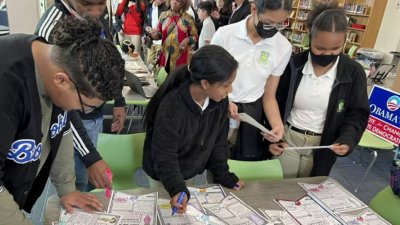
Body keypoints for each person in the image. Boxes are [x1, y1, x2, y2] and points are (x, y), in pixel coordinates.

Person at [0, 16, 124, 224]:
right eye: (86, 107)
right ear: (61, 81)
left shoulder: (55, 67)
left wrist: (67, 188)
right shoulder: (7, 88)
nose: (81, 112)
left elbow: (61, 130)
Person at [269, 3, 370, 178]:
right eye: (320, 48)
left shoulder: (353, 73)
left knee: (309, 191)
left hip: (324, 143)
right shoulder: (292, 65)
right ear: (310, 37)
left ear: (344, 42)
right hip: (288, 138)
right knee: (279, 186)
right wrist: (271, 137)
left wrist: (347, 139)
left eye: (335, 49)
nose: (327, 54)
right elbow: (273, 102)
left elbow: (357, 113)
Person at [35, 0, 127, 192]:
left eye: (101, 5)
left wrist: (118, 100)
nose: (95, 12)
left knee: (82, 181)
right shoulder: (50, 28)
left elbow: (108, 60)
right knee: (76, 177)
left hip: (81, 116)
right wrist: (89, 155)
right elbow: (64, 112)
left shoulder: (94, 16)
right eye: (87, 5)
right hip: (71, 122)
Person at [142, 45, 244, 213]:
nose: (230, 90)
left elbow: (218, 145)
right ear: (205, 83)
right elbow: (164, 156)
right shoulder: (172, 105)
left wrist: (224, 176)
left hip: (190, 171)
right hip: (163, 175)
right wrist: (176, 188)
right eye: (226, 85)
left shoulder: (220, 102)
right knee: (162, 214)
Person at [211, 0, 292, 161]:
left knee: (244, 169)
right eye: (268, 23)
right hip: (218, 109)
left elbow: (269, 96)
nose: (273, 29)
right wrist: (224, 102)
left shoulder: (283, 47)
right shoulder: (225, 34)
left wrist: (277, 125)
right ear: (254, 9)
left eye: (280, 24)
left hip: (250, 117)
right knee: (215, 165)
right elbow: (207, 78)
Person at [148, 0, 198, 73]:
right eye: (172, 0)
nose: (174, 2)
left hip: (181, 58)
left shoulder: (188, 18)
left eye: (178, 1)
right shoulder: (163, 16)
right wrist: (154, 35)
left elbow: (195, 37)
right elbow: (159, 34)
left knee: (178, 81)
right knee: (163, 82)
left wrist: (187, 40)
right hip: (164, 56)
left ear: (183, 4)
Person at [143, 0, 169, 71]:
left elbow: (167, 26)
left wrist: (158, 31)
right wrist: (146, 28)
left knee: (158, 63)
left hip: (161, 41)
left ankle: (157, 80)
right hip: (151, 40)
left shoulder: (165, 9)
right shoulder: (149, 7)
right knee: (149, 61)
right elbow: (145, 21)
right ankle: (153, 78)